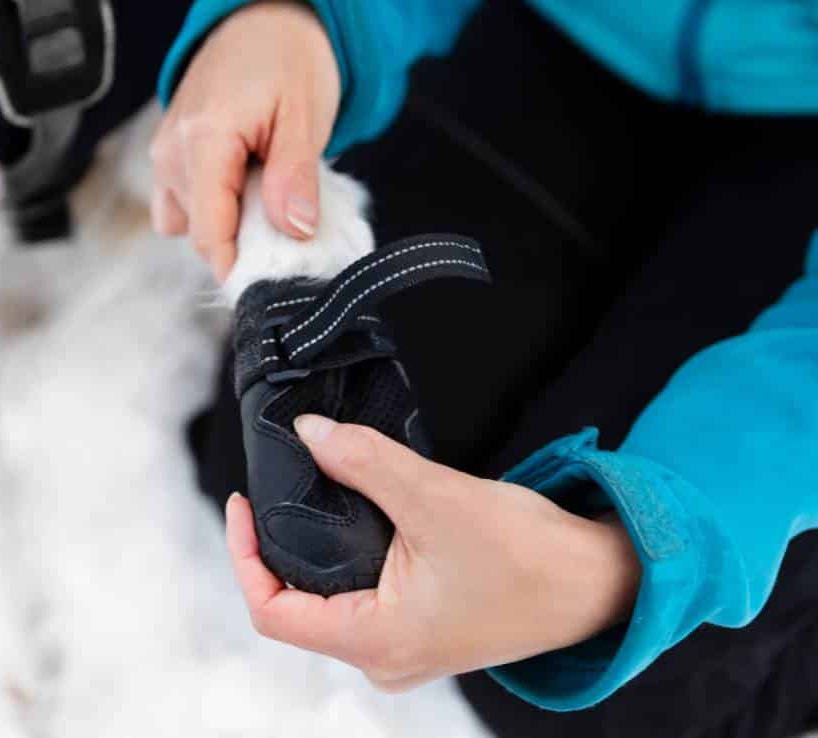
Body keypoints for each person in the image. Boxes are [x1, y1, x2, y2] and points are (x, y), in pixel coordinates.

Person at [150, 1, 818, 736]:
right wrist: (301, 20)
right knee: (325, 500)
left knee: (614, 682)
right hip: (574, 29)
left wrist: (618, 559)